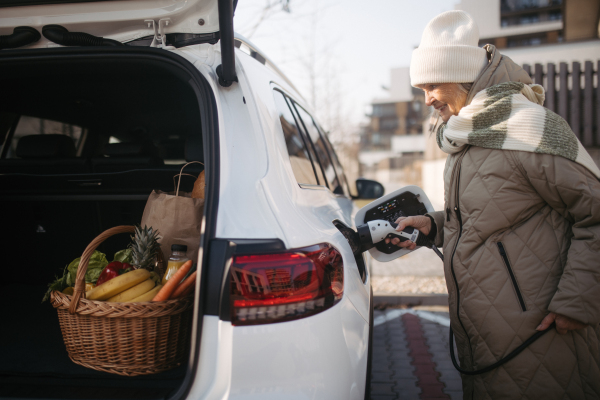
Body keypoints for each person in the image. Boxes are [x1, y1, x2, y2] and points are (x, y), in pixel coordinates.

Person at [390, 10, 600, 399]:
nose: (426, 99)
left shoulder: (531, 128)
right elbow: (492, 214)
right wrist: (434, 225)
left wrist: (576, 301)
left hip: (541, 334)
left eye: (432, 85)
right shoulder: (464, 133)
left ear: (463, 76)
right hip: (485, 337)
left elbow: (595, 214)